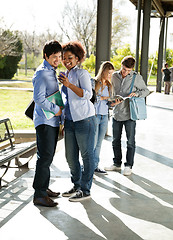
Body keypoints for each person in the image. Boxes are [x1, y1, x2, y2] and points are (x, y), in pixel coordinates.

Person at [59, 41, 96, 202]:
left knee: (87, 156)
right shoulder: (65, 75)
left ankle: (85, 190)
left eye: (70, 58)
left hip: (85, 120)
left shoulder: (82, 74)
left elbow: (88, 94)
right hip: (69, 121)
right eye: (64, 58)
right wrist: (62, 121)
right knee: (70, 157)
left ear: (77, 58)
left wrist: (69, 85)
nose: (66, 61)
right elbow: (66, 101)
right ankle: (77, 185)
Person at [104, 56, 150, 176]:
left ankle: (128, 165)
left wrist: (137, 93)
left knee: (130, 141)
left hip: (130, 114)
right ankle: (117, 163)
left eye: (128, 71)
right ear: (121, 65)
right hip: (117, 113)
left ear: (132, 69)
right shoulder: (114, 76)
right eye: (124, 69)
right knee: (115, 140)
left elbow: (146, 91)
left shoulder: (136, 77)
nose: (125, 72)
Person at [32, 40, 63, 207]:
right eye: (54, 57)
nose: (57, 60)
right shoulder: (42, 73)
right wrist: (56, 109)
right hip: (45, 121)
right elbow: (38, 98)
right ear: (46, 56)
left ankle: (43, 188)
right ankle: (39, 194)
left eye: (59, 56)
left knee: (48, 156)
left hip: (51, 120)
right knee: (44, 157)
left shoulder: (51, 71)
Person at [92, 61, 114, 175]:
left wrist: (113, 103)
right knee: (93, 143)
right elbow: (90, 99)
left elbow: (108, 102)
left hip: (105, 116)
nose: (110, 76)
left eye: (112, 73)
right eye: (109, 73)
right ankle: (87, 166)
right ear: (103, 71)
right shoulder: (94, 82)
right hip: (95, 115)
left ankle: (95, 166)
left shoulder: (109, 85)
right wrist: (101, 98)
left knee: (99, 143)